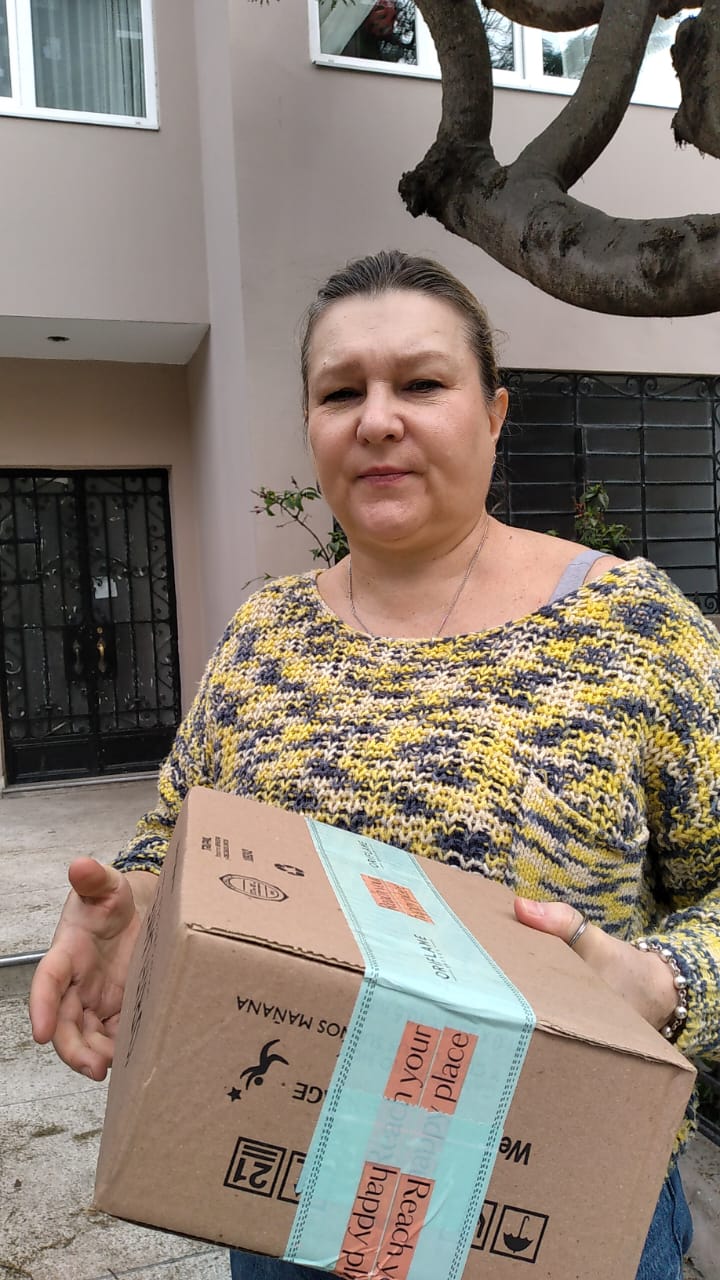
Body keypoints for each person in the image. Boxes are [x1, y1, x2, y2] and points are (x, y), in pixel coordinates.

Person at [30, 250, 717, 1280]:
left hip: (556, 1212)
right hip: (291, 1201)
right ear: (311, 424)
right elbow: (179, 836)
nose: (377, 420)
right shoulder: (264, 637)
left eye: (422, 383)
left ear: (494, 413)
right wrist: (140, 898)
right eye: (341, 391)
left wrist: (664, 981)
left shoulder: (632, 629)